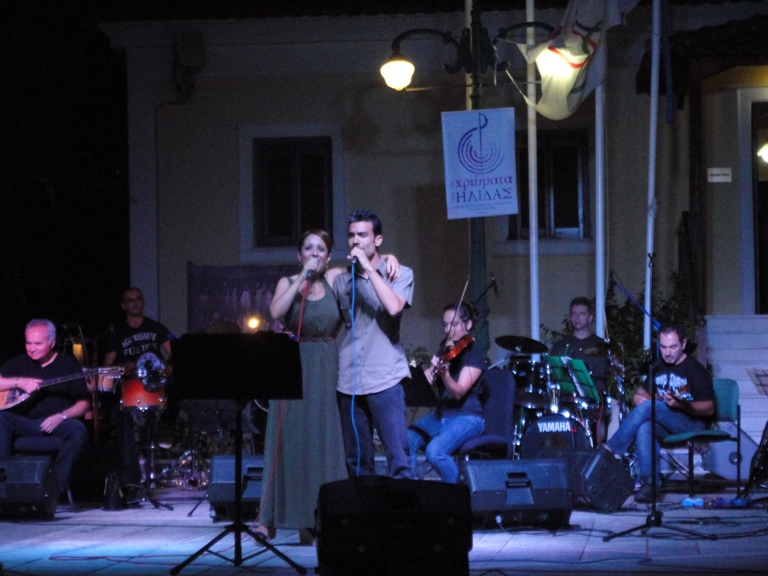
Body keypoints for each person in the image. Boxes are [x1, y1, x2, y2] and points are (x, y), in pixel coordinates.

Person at [257, 229, 401, 543]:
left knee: (324, 442)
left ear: (328, 255)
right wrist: (302, 278)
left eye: (321, 249)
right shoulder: (287, 282)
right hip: (293, 364)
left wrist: (390, 257)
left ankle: (318, 518)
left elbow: (367, 264)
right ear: (299, 255)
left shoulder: (335, 278)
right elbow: (276, 312)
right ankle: (269, 519)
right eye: (309, 248)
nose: (315, 253)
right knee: (289, 442)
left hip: (326, 364)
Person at [332, 209, 414, 480]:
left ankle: (401, 508)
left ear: (377, 240)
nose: (355, 241)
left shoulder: (398, 273)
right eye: (351, 235)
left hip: (386, 377)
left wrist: (370, 267)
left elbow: (393, 307)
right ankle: (364, 508)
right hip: (350, 381)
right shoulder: (342, 280)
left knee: (398, 459)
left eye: (362, 235)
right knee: (357, 462)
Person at [602, 324, 715, 503]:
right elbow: (639, 394)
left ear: (683, 344)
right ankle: (650, 485)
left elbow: (709, 408)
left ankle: (610, 450)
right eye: (663, 347)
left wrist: (682, 405)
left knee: (648, 408)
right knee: (645, 426)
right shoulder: (658, 366)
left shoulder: (695, 369)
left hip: (693, 422)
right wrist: (643, 399)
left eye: (673, 347)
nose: (667, 353)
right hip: (666, 422)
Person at [0, 319, 90, 497]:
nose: (31, 348)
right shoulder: (18, 362)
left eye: (38, 344)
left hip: (56, 425)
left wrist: (61, 416)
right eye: (28, 343)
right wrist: (19, 382)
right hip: (24, 424)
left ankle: (53, 490)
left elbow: (84, 403)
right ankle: (4, 486)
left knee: (78, 430)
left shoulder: (68, 364)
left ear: (52, 343)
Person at [102, 287, 175, 488]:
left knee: (178, 390)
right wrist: (123, 366)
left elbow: (174, 353)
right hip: (130, 387)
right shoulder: (116, 333)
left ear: (143, 302)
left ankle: (163, 428)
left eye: (138, 299)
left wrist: (169, 367)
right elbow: (107, 367)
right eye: (130, 300)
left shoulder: (156, 328)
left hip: (156, 383)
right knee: (120, 418)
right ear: (123, 305)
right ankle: (132, 480)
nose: (134, 303)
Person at [407, 300, 486, 483]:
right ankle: (409, 490)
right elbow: (428, 380)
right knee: (407, 439)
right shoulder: (447, 351)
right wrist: (426, 375)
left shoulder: (474, 355)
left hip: (468, 417)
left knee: (435, 452)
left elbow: (458, 392)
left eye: (454, 324)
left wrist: (445, 375)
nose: (448, 330)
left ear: (468, 324)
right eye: (445, 325)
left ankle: (455, 493)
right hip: (442, 415)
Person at [549, 296, 613, 442]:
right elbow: (553, 376)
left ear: (590, 318)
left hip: (595, 401)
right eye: (574, 314)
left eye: (582, 314)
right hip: (567, 400)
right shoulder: (560, 346)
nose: (577, 318)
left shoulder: (601, 345)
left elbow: (608, 374)